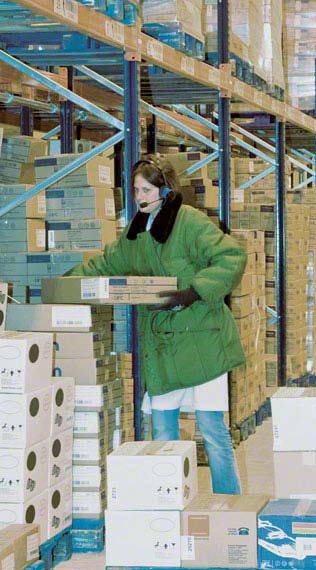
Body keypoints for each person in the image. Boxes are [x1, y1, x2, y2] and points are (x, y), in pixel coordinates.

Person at [65, 154, 247, 494]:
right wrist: (66, 284)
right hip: (163, 344)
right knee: (162, 430)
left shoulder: (190, 222)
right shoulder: (135, 233)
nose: (140, 197)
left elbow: (231, 256)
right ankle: (169, 501)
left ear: (165, 190)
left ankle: (229, 505)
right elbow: (106, 263)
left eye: (147, 189)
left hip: (202, 339)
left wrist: (195, 292)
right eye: (135, 190)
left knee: (213, 431)